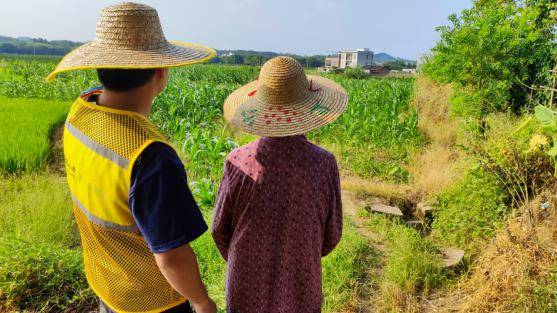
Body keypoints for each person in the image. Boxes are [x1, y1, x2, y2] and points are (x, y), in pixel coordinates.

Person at [47, 3, 217, 313]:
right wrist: (202, 301)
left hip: (104, 281)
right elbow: (172, 256)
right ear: (161, 71)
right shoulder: (150, 156)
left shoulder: (81, 109)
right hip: (149, 302)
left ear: (101, 68)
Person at [212, 56, 349, 312]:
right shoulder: (323, 164)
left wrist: (247, 260)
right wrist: (298, 253)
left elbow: (220, 230)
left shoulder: (237, 161)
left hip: (245, 284)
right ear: (307, 107)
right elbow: (332, 234)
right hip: (301, 283)